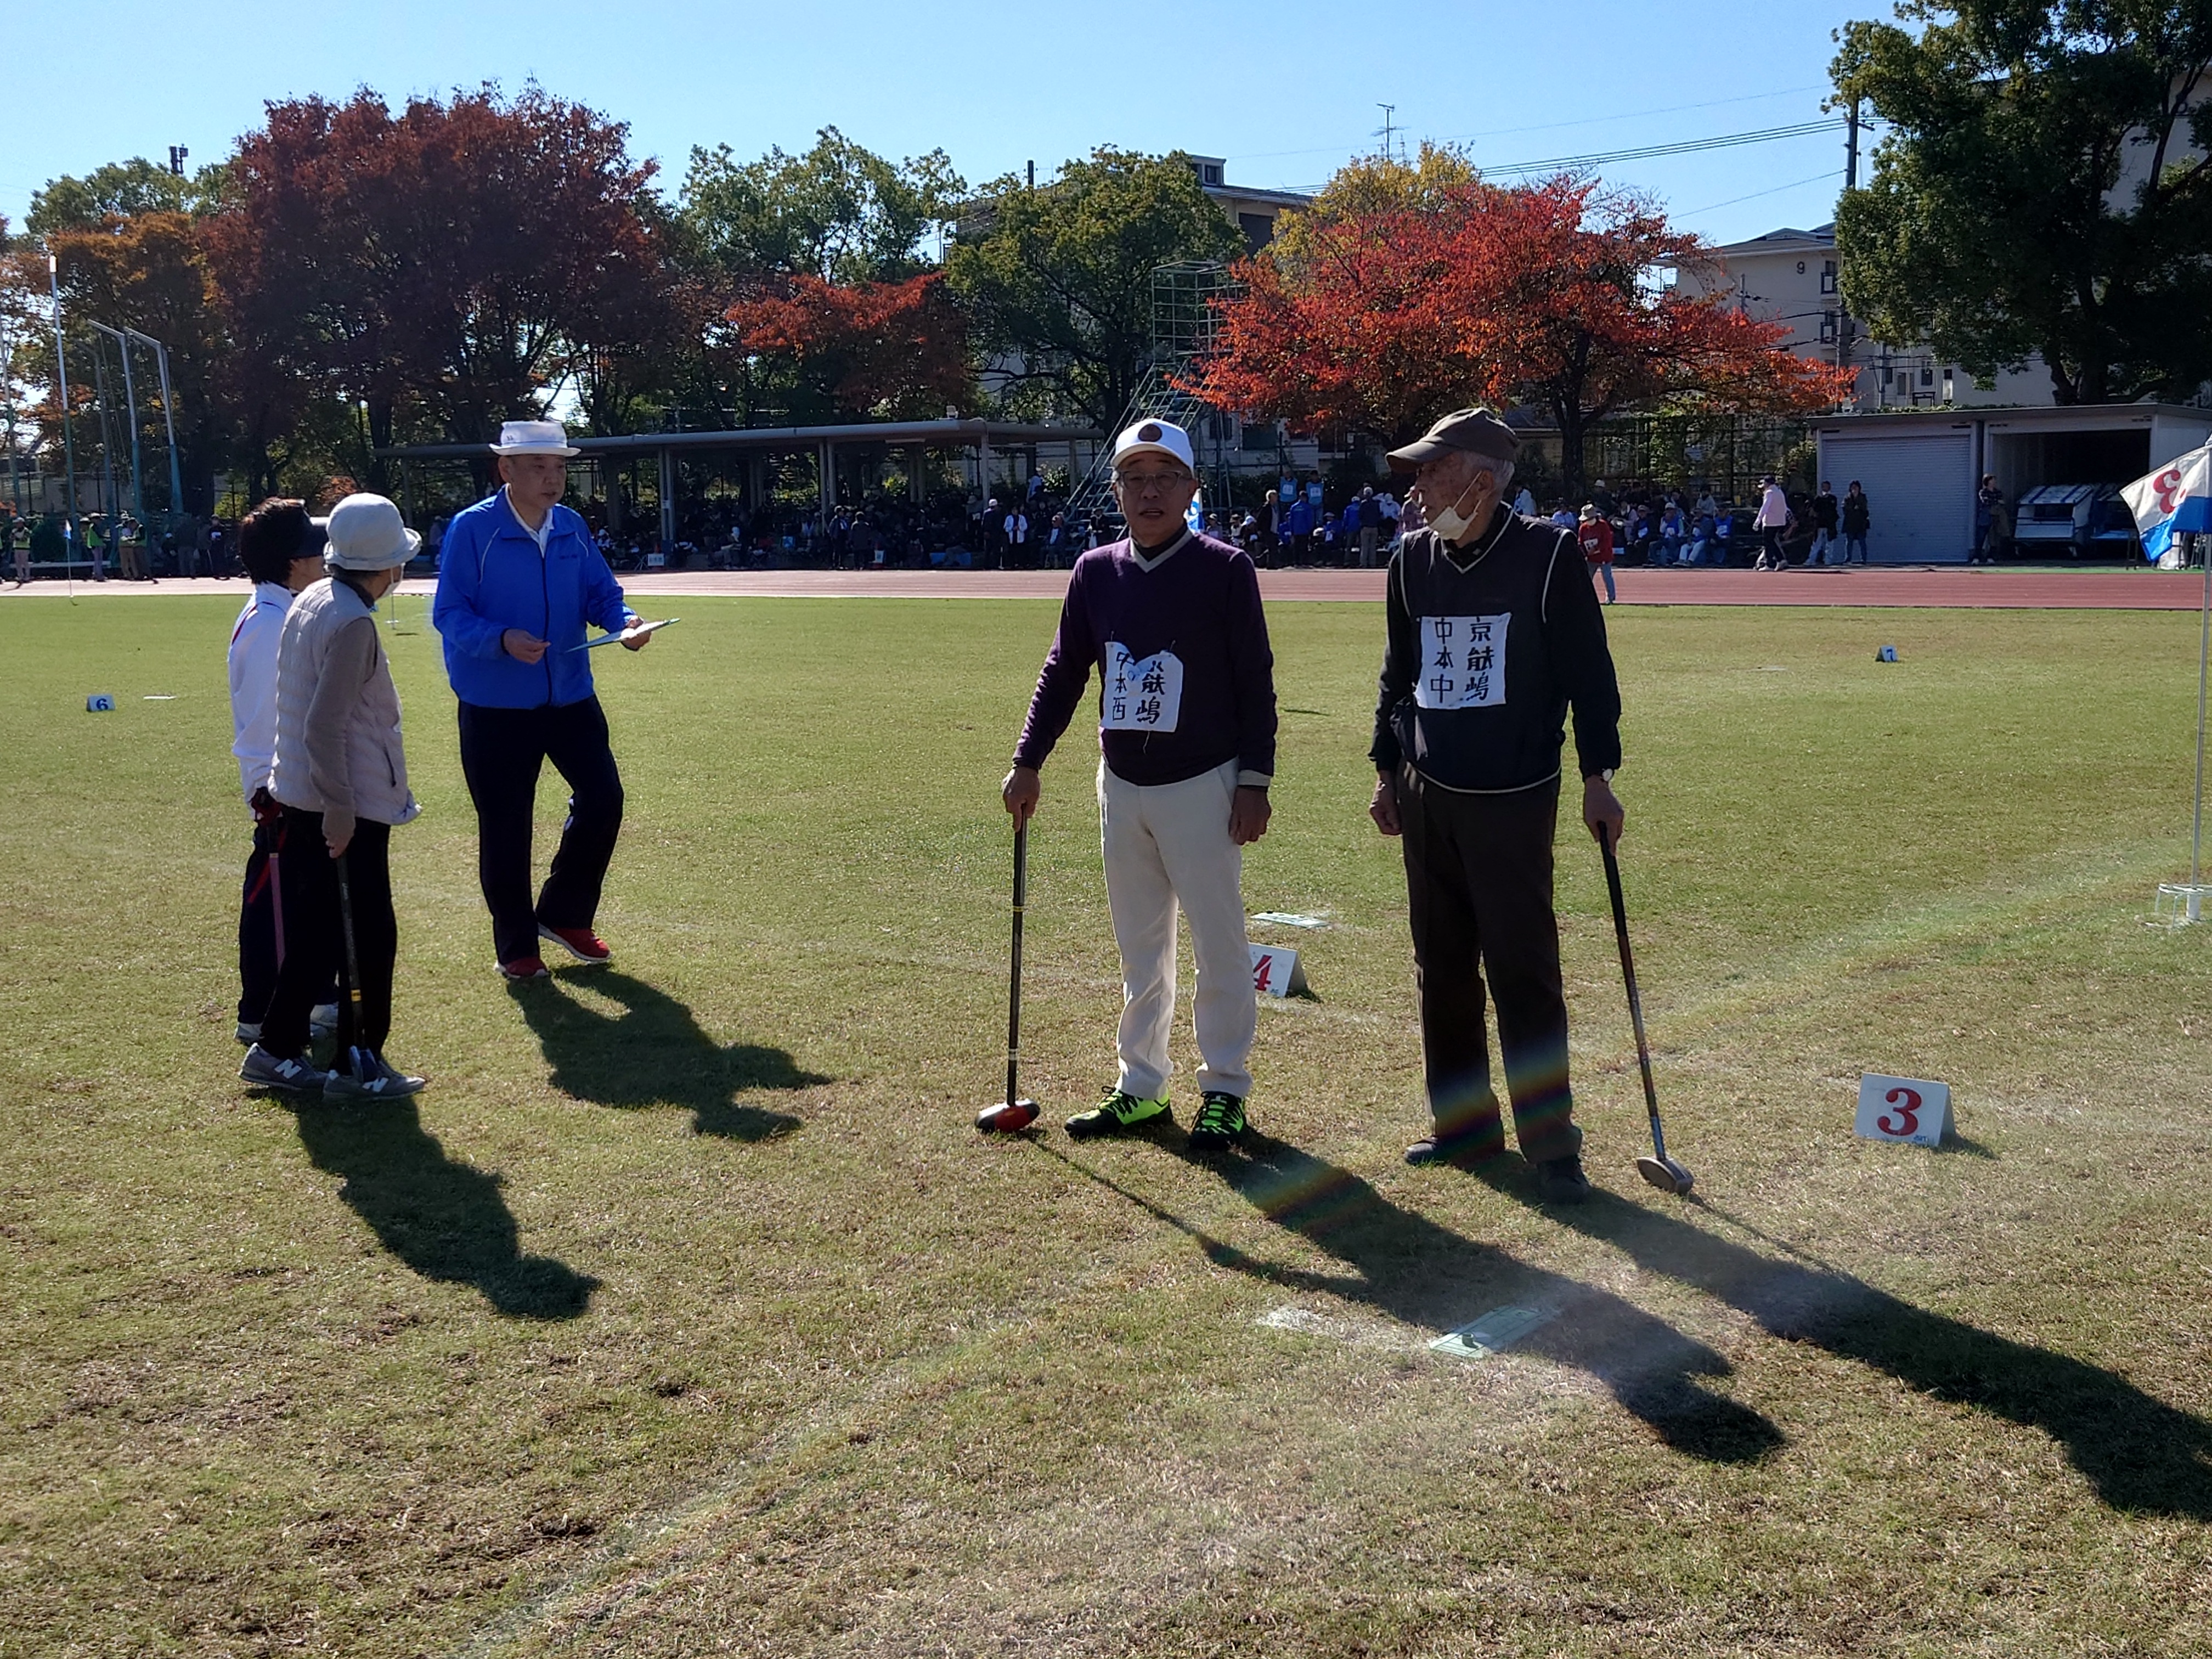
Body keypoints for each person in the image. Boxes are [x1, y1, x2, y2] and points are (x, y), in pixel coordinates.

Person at [1367, 409, 1624, 1203]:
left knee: (1523, 972)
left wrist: (1598, 774)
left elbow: (1589, 675)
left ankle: (1552, 1146)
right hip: (1428, 793)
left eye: (1432, 471)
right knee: (1440, 968)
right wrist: (1385, 770)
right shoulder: (1411, 559)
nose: (1418, 488)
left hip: (1513, 797)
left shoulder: (1547, 557)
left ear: (1481, 480)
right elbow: (1398, 673)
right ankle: (1464, 1126)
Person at [1003, 417, 1277, 1153]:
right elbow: (1064, 670)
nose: (1150, 492)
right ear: (1117, 491)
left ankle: (1225, 1088)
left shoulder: (1225, 568)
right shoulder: (1095, 571)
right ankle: (1142, 1085)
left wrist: (1255, 780)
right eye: (1134, 479)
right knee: (1140, 946)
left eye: (1165, 478)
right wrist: (1029, 760)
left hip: (1205, 782)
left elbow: (1254, 678)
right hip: (1122, 784)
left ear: (1191, 489)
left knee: (1219, 944)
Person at [432, 420, 650, 981]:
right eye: (538, 467)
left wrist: (625, 622)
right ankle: (517, 948)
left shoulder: (571, 526)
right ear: (505, 469)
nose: (553, 479)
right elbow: (449, 613)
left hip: (570, 694)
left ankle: (563, 914)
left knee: (604, 799)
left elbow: (602, 593)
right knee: (507, 825)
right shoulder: (472, 529)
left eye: (559, 468)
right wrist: (501, 639)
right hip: (494, 705)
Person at [239, 493, 425, 1101]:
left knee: (318, 934)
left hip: (302, 793)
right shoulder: (352, 623)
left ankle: (276, 1048)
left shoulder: (315, 596)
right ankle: (356, 1061)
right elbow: (325, 725)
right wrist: (341, 809)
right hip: (343, 803)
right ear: (389, 565)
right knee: (367, 937)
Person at [228, 498, 339, 1048]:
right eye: (316, 551)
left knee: (303, 901)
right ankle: (263, 1012)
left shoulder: (277, 614)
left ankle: (316, 996)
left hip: (290, 785)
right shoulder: (271, 625)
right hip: (282, 791)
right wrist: (268, 790)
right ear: (295, 562)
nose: (324, 560)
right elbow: (266, 719)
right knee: (277, 904)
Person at [1578, 503, 1617, 603]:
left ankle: (1611, 598)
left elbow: (1606, 542)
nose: (1588, 521)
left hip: (1605, 557)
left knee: (1607, 577)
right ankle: (1585, 597)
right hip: (1591, 559)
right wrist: (1585, 553)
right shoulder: (1583, 528)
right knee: (1587, 578)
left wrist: (1595, 549)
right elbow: (1581, 542)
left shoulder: (1603, 526)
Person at [1752, 475, 1792, 570]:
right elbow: (1784, 507)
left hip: (1770, 522)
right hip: (1780, 521)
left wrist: (1758, 520)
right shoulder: (1779, 492)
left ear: (1767, 483)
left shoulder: (1769, 493)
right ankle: (1779, 560)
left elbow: (1765, 507)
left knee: (1768, 543)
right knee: (1772, 541)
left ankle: (1771, 563)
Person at [1809, 481, 1840, 566]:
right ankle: (1811, 560)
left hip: (1830, 525)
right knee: (1817, 543)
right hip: (1820, 524)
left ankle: (1828, 560)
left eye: (1827, 487)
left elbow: (1833, 510)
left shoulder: (1833, 499)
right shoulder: (1818, 499)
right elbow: (1815, 509)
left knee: (1830, 544)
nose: (1825, 488)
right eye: (1824, 487)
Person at [1842, 481, 1871, 563]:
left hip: (1861, 523)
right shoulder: (1847, 498)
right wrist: (1854, 507)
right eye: (1853, 487)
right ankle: (1848, 559)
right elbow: (1845, 509)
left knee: (1862, 542)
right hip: (1850, 523)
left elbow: (1864, 509)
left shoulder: (1863, 497)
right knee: (1849, 542)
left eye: (1856, 487)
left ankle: (1864, 559)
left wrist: (1857, 508)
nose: (1854, 489)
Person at [1357, 486, 1384, 568]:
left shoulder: (1363, 504)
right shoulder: (1376, 504)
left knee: (1365, 546)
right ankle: (1372, 563)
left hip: (1365, 527)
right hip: (1374, 527)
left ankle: (1364, 563)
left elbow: (1360, 515)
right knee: (1373, 546)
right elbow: (1379, 515)